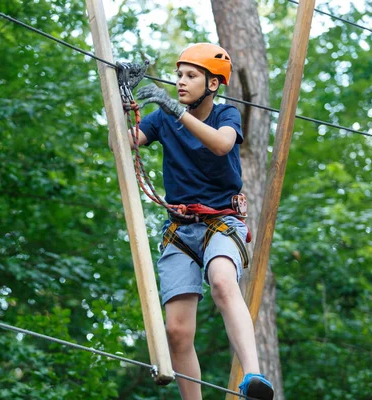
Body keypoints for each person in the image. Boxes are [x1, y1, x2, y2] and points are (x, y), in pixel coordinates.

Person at [132, 43, 274, 400]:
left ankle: (254, 376)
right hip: (180, 230)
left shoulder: (226, 115)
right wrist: (122, 99)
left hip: (221, 223)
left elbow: (222, 146)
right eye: (179, 74)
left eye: (191, 76)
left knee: (223, 281)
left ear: (212, 84)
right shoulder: (164, 118)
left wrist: (176, 113)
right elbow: (125, 142)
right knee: (177, 332)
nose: (181, 81)